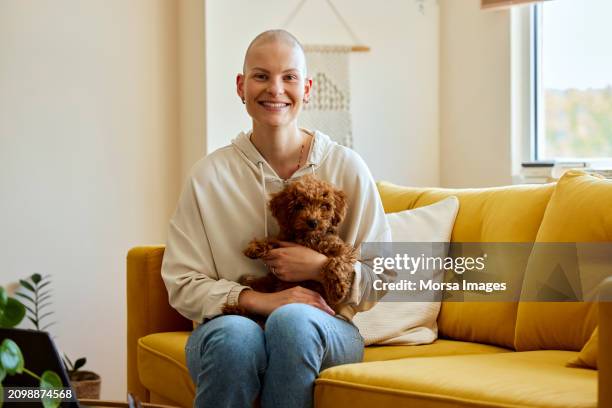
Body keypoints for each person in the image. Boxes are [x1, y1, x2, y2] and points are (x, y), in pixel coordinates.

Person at [161, 29, 392, 408]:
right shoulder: (208, 176)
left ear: (308, 88)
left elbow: (383, 275)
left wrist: (321, 268)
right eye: (261, 76)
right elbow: (182, 284)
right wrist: (257, 300)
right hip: (228, 326)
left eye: (289, 77)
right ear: (241, 86)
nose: (275, 89)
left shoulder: (346, 166)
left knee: (294, 323)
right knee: (237, 337)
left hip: (327, 327)